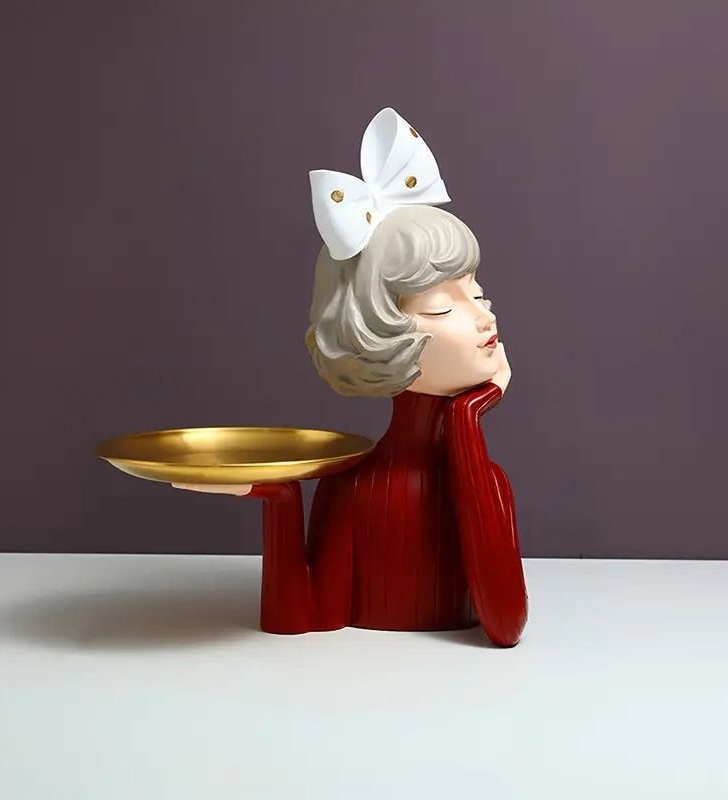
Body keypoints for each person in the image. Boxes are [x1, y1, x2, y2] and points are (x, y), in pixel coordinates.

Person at [175, 109, 528, 646]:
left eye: (477, 292)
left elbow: (505, 625)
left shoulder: (488, 480)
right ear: (377, 330)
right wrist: (280, 500)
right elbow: (304, 618)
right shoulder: (353, 488)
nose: (485, 315)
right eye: (442, 305)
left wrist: (466, 412)